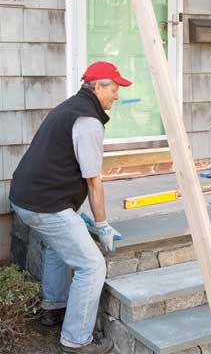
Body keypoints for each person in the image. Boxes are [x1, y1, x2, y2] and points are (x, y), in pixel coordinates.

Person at [9, 61, 132, 354]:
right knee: (91, 266)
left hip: (25, 196)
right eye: (114, 89)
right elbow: (93, 180)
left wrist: (74, 215)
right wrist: (101, 224)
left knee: (57, 246)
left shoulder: (69, 107)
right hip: (45, 204)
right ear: (97, 87)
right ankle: (76, 341)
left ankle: (53, 307)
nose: (117, 95)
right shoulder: (88, 121)